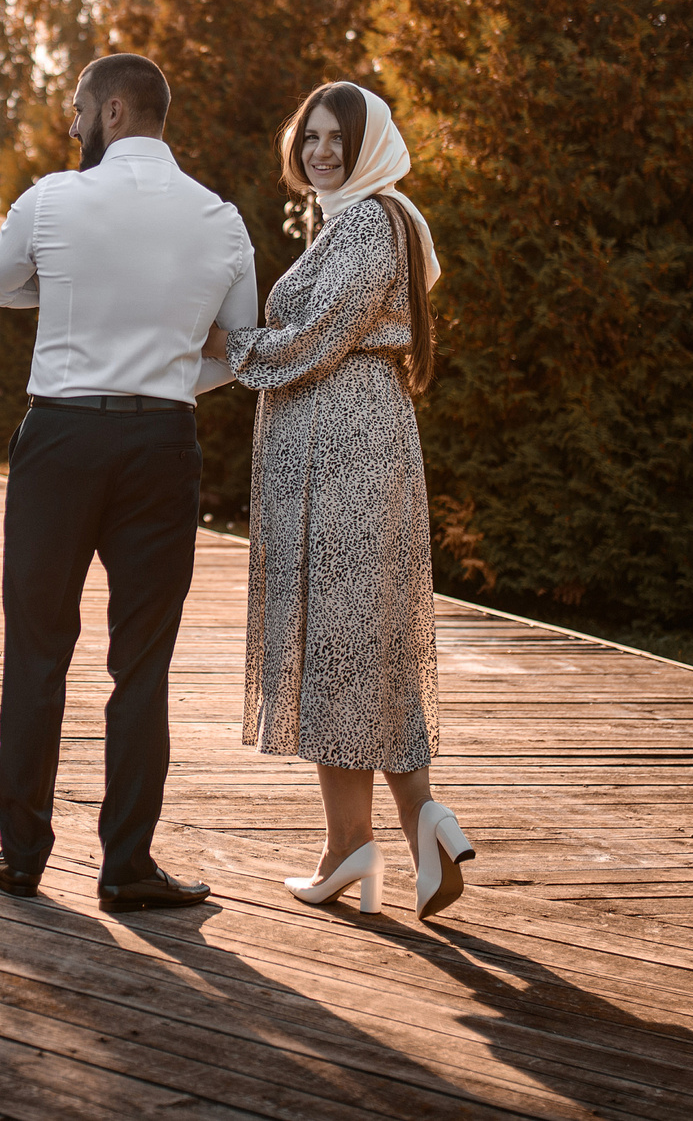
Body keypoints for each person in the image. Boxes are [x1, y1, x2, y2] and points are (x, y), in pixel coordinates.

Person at [0, 52, 257, 912]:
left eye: (78, 110)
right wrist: (168, 372)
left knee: (37, 649)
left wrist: (56, 291)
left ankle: (20, 855)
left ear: (116, 109)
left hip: (60, 438)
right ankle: (126, 865)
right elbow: (236, 349)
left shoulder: (53, 198)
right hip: (162, 446)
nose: (71, 124)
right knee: (143, 664)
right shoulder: (221, 218)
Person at [207, 80, 474, 918]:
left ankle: (354, 845)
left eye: (338, 138)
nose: (321, 150)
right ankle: (400, 828)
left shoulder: (366, 222)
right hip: (355, 439)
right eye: (312, 135)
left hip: (346, 446)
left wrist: (230, 344)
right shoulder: (367, 219)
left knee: (339, 644)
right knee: (365, 646)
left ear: (369, 147)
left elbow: (320, 338)